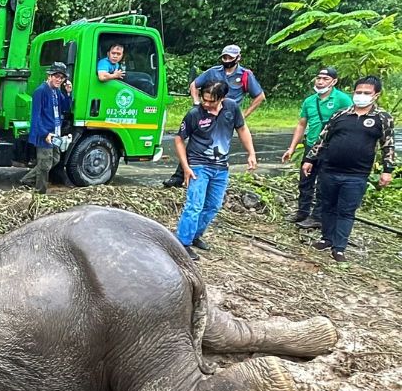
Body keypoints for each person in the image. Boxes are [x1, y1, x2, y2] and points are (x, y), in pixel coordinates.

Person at [302, 75, 396, 263]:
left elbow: (388, 145)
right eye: (358, 92)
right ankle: (326, 238)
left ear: (376, 95)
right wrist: (310, 159)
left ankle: (339, 247)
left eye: (366, 93)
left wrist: (388, 170)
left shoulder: (382, 118)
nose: (361, 95)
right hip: (330, 169)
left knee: (346, 210)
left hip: (356, 174)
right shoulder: (340, 115)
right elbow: (323, 139)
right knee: (327, 206)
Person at [174, 79, 258, 259]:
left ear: (222, 98)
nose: (206, 103)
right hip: (198, 165)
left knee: (213, 206)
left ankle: (195, 235)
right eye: (204, 99)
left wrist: (251, 153)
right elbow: (179, 139)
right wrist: (186, 167)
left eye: (211, 101)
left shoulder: (231, 108)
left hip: (221, 166)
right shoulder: (194, 114)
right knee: (194, 205)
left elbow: (242, 130)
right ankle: (182, 243)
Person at [164, 44, 264, 187]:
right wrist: (197, 102)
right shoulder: (213, 72)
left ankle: (214, 179)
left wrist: (243, 114)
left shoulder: (245, 75)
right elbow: (194, 85)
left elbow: (260, 96)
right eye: (224, 57)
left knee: (219, 144)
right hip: (206, 112)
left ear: (238, 58)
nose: (227, 59)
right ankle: (181, 175)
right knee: (196, 143)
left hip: (227, 115)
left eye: (230, 57)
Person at [281, 67, 352, 229]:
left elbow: (350, 122)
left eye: (325, 79)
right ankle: (302, 211)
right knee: (305, 180)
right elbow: (301, 124)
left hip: (331, 149)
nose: (320, 82)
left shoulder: (342, 99)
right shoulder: (309, 101)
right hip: (311, 145)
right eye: (318, 78)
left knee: (324, 183)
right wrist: (291, 148)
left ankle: (318, 216)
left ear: (334, 81)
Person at [20, 62, 67, 195]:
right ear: (49, 76)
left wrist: (68, 93)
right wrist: (44, 133)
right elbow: (36, 117)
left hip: (55, 132)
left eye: (61, 78)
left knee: (55, 159)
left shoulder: (57, 91)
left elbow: (65, 106)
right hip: (45, 133)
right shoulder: (40, 91)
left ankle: (27, 180)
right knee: (45, 165)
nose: (59, 80)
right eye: (56, 76)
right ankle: (40, 193)